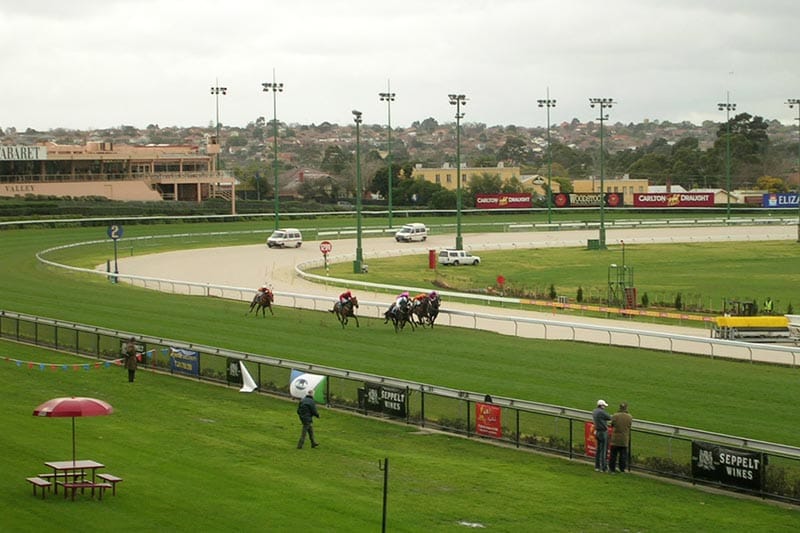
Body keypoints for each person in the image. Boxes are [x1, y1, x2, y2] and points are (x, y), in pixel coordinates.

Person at [609, 402, 633, 473]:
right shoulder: (629, 417)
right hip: (624, 438)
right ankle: (622, 469)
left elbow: (612, 424)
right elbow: (629, 426)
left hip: (615, 438)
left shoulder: (615, 415)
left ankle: (612, 469)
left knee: (613, 455)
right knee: (623, 455)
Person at [592, 399, 612, 472]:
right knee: (603, 450)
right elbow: (609, 417)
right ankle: (603, 467)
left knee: (598, 450)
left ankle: (597, 466)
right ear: (601, 405)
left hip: (597, 431)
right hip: (603, 432)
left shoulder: (594, 411)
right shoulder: (601, 412)